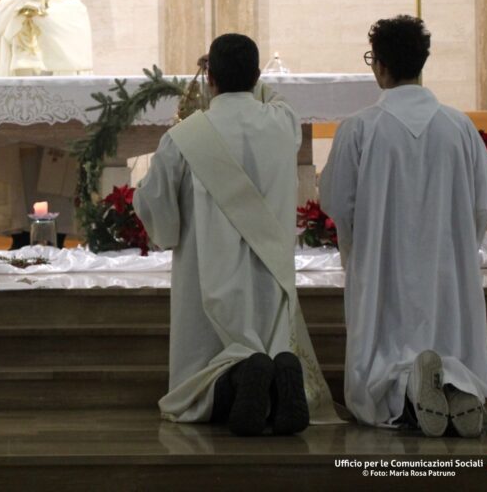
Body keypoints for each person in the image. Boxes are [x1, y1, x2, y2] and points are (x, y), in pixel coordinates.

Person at [133, 34, 338, 435]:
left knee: (202, 376)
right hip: (269, 276)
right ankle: (277, 379)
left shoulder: (184, 137)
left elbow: (157, 208)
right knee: (272, 339)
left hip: (207, 279)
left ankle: (236, 380)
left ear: (209, 77)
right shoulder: (281, 123)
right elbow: (274, 97)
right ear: (257, 75)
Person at [319, 15, 487, 438]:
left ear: (379, 65)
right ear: (422, 63)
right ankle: (456, 386)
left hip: (383, 263)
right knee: (447, 334)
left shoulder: (361, 128)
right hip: (445, 263)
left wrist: (359, 242)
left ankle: (404, 393)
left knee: (384, 346)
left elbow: (336, 200)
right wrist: (457, 242)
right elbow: (486, 201)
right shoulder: (458, 126)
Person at [0, 0, 93, 248]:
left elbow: (73, 43)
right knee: (23, 179)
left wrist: (40, 15)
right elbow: (0, 23)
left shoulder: (71, 6)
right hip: (18, 108)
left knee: (58, 176)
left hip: (60, 107)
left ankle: (58, 236)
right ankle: (19, 238)